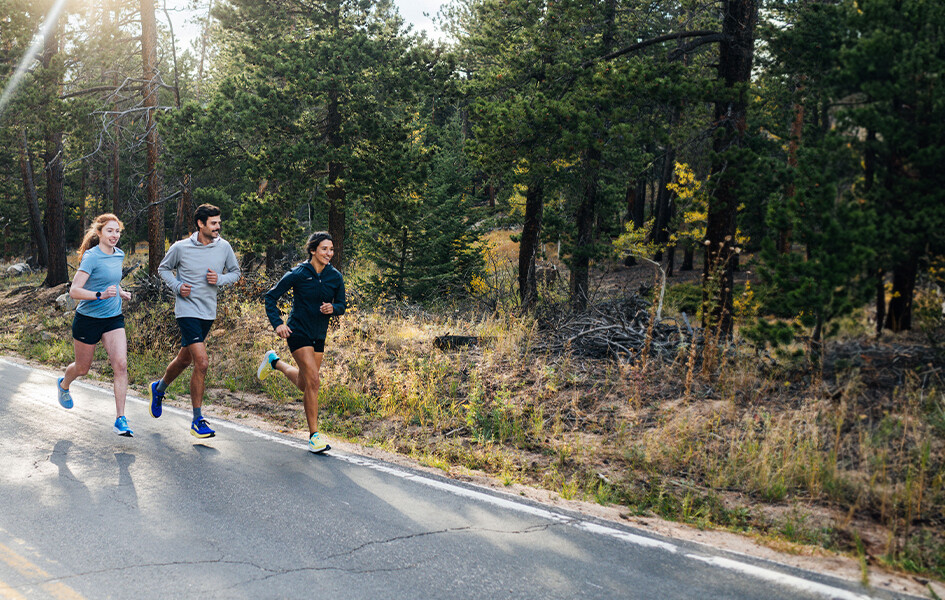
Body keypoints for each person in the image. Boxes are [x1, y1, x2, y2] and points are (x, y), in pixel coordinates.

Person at [150, 204, 241, 438]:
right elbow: (163, 269)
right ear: (200, 224)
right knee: (201, 362)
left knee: (184, 358)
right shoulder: (180, 247)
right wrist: (178, 287)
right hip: (186, 310)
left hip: (208, 312)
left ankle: (158, 389)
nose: (218, 227)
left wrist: (219, 279)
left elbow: (235, 273)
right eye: (213, 223)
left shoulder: (224, 247)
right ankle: (197, 420)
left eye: (219, 222)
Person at [257, 232, 346, 453]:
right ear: (313, 250)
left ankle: (274, 362)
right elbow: (271, 297)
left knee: (305, 383)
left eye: (331, 249)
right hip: (297, 332)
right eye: (324, 249)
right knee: (314, 380)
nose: (329, 253)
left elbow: (342, 305)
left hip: (319, 334)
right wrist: (278, 323)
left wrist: (333, 309)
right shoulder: (298, 273)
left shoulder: (335, 277)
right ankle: (314, 436)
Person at [56, 213, 134, 436]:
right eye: (110, 231)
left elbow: (112, 281)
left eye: (117, 231)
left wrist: (120, 291)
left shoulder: (119, 255)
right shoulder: (91, 257)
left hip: (113, 318)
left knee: (120, 364)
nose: (115, 235)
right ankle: (64, 384)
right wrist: (100, 294)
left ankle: (121, 419)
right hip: (88, 320)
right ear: (99, 233)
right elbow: (74, 291)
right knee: (82, 368)